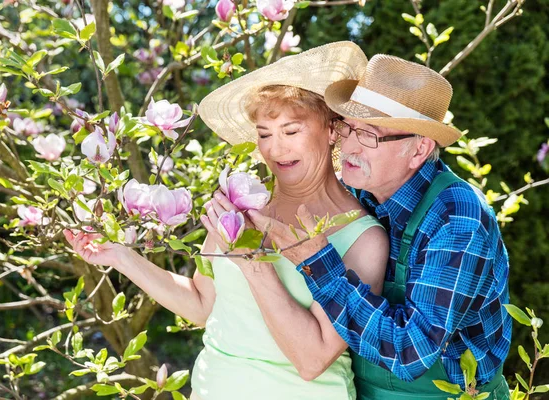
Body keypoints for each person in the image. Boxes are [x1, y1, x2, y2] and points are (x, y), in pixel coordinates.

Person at [64, 42, 389, 400]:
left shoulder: (363, 239)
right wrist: (121, 256)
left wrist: (252, 262)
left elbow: (313, 359)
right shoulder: (241, 207)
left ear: (331, 130)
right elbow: (203, 304)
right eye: (264, 133)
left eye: (291, 131)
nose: (275, 149)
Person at [239, 55, 512, 399]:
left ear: (419, 149)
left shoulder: (458, 217)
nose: (348, 146)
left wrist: (318, 262)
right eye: (347, 127)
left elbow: (410, 352)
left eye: (368, 134)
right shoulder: (356, 193)